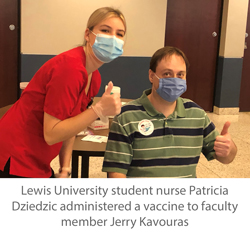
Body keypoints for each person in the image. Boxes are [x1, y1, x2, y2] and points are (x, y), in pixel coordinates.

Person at [0, 7, 126, 178]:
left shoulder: (93, 77)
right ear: (87, 35)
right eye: (105, 30)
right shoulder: (70, 68)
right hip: (16, 154)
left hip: (38, 156)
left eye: (119, 34)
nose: (112, 38)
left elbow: (73, 124)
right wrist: (98, 110)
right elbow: (52, 134)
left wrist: (65, 168)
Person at [102, 46, 237, 178]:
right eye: (167, 74)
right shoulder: (126, 117)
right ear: (151, 76)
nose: (174, 79)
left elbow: (225, 158)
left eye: (180, 75)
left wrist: (229, 149)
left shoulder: (197, 115)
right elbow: (116, 172)